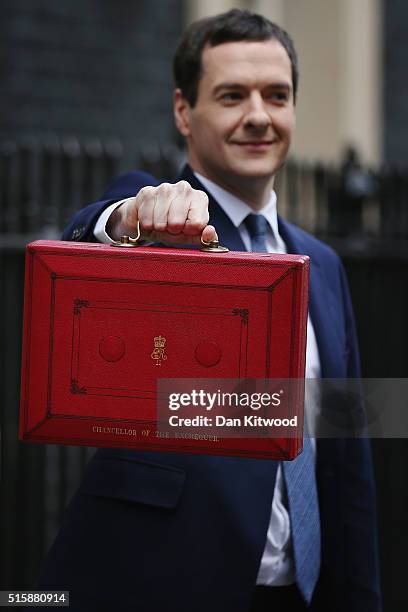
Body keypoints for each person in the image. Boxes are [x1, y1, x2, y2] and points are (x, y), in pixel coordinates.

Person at [40, 9, 381, 612]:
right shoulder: (160, 220)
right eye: (231, 95)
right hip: (163, 585)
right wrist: (130, 219)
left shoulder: (323, 265)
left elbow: (345, 451)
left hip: (297, 594)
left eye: (277, 95)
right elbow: (94, 226)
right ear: (182, 111)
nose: (258, 115)